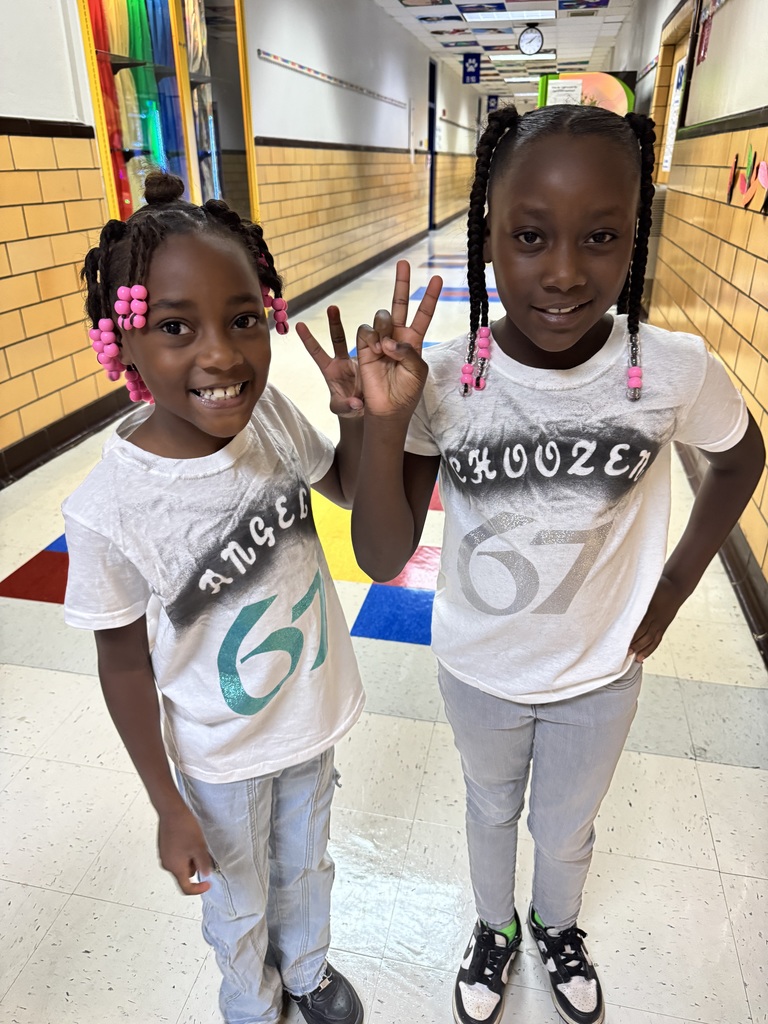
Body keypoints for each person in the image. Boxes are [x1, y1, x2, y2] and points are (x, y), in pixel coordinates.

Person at [351, 105, 765, 1024]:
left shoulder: (673, 368)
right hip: (478, 667)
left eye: (602, 237)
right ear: (487, 235)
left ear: (636, 238)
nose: (566, 272)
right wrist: (384, 421)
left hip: (601, 671)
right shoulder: (447, 378)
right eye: (530, 237)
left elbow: (740, 458)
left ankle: (557, 922)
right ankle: (493, 926)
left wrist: (673, 588)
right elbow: (381, 556)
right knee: (490, 809)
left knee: (565, 828)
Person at [62, 171, 437, 1024]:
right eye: (174, 328)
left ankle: (305, 971)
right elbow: (122, 665)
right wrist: (166, 803)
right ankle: (253, 1000)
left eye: (242, 319)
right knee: (236, 900)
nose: (223, 355)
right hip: (217, 757)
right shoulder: (109, 507)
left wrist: (364, 418)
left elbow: (348, 489)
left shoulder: (265, 421)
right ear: (121, 346)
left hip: (308, 717)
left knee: (307, 865)